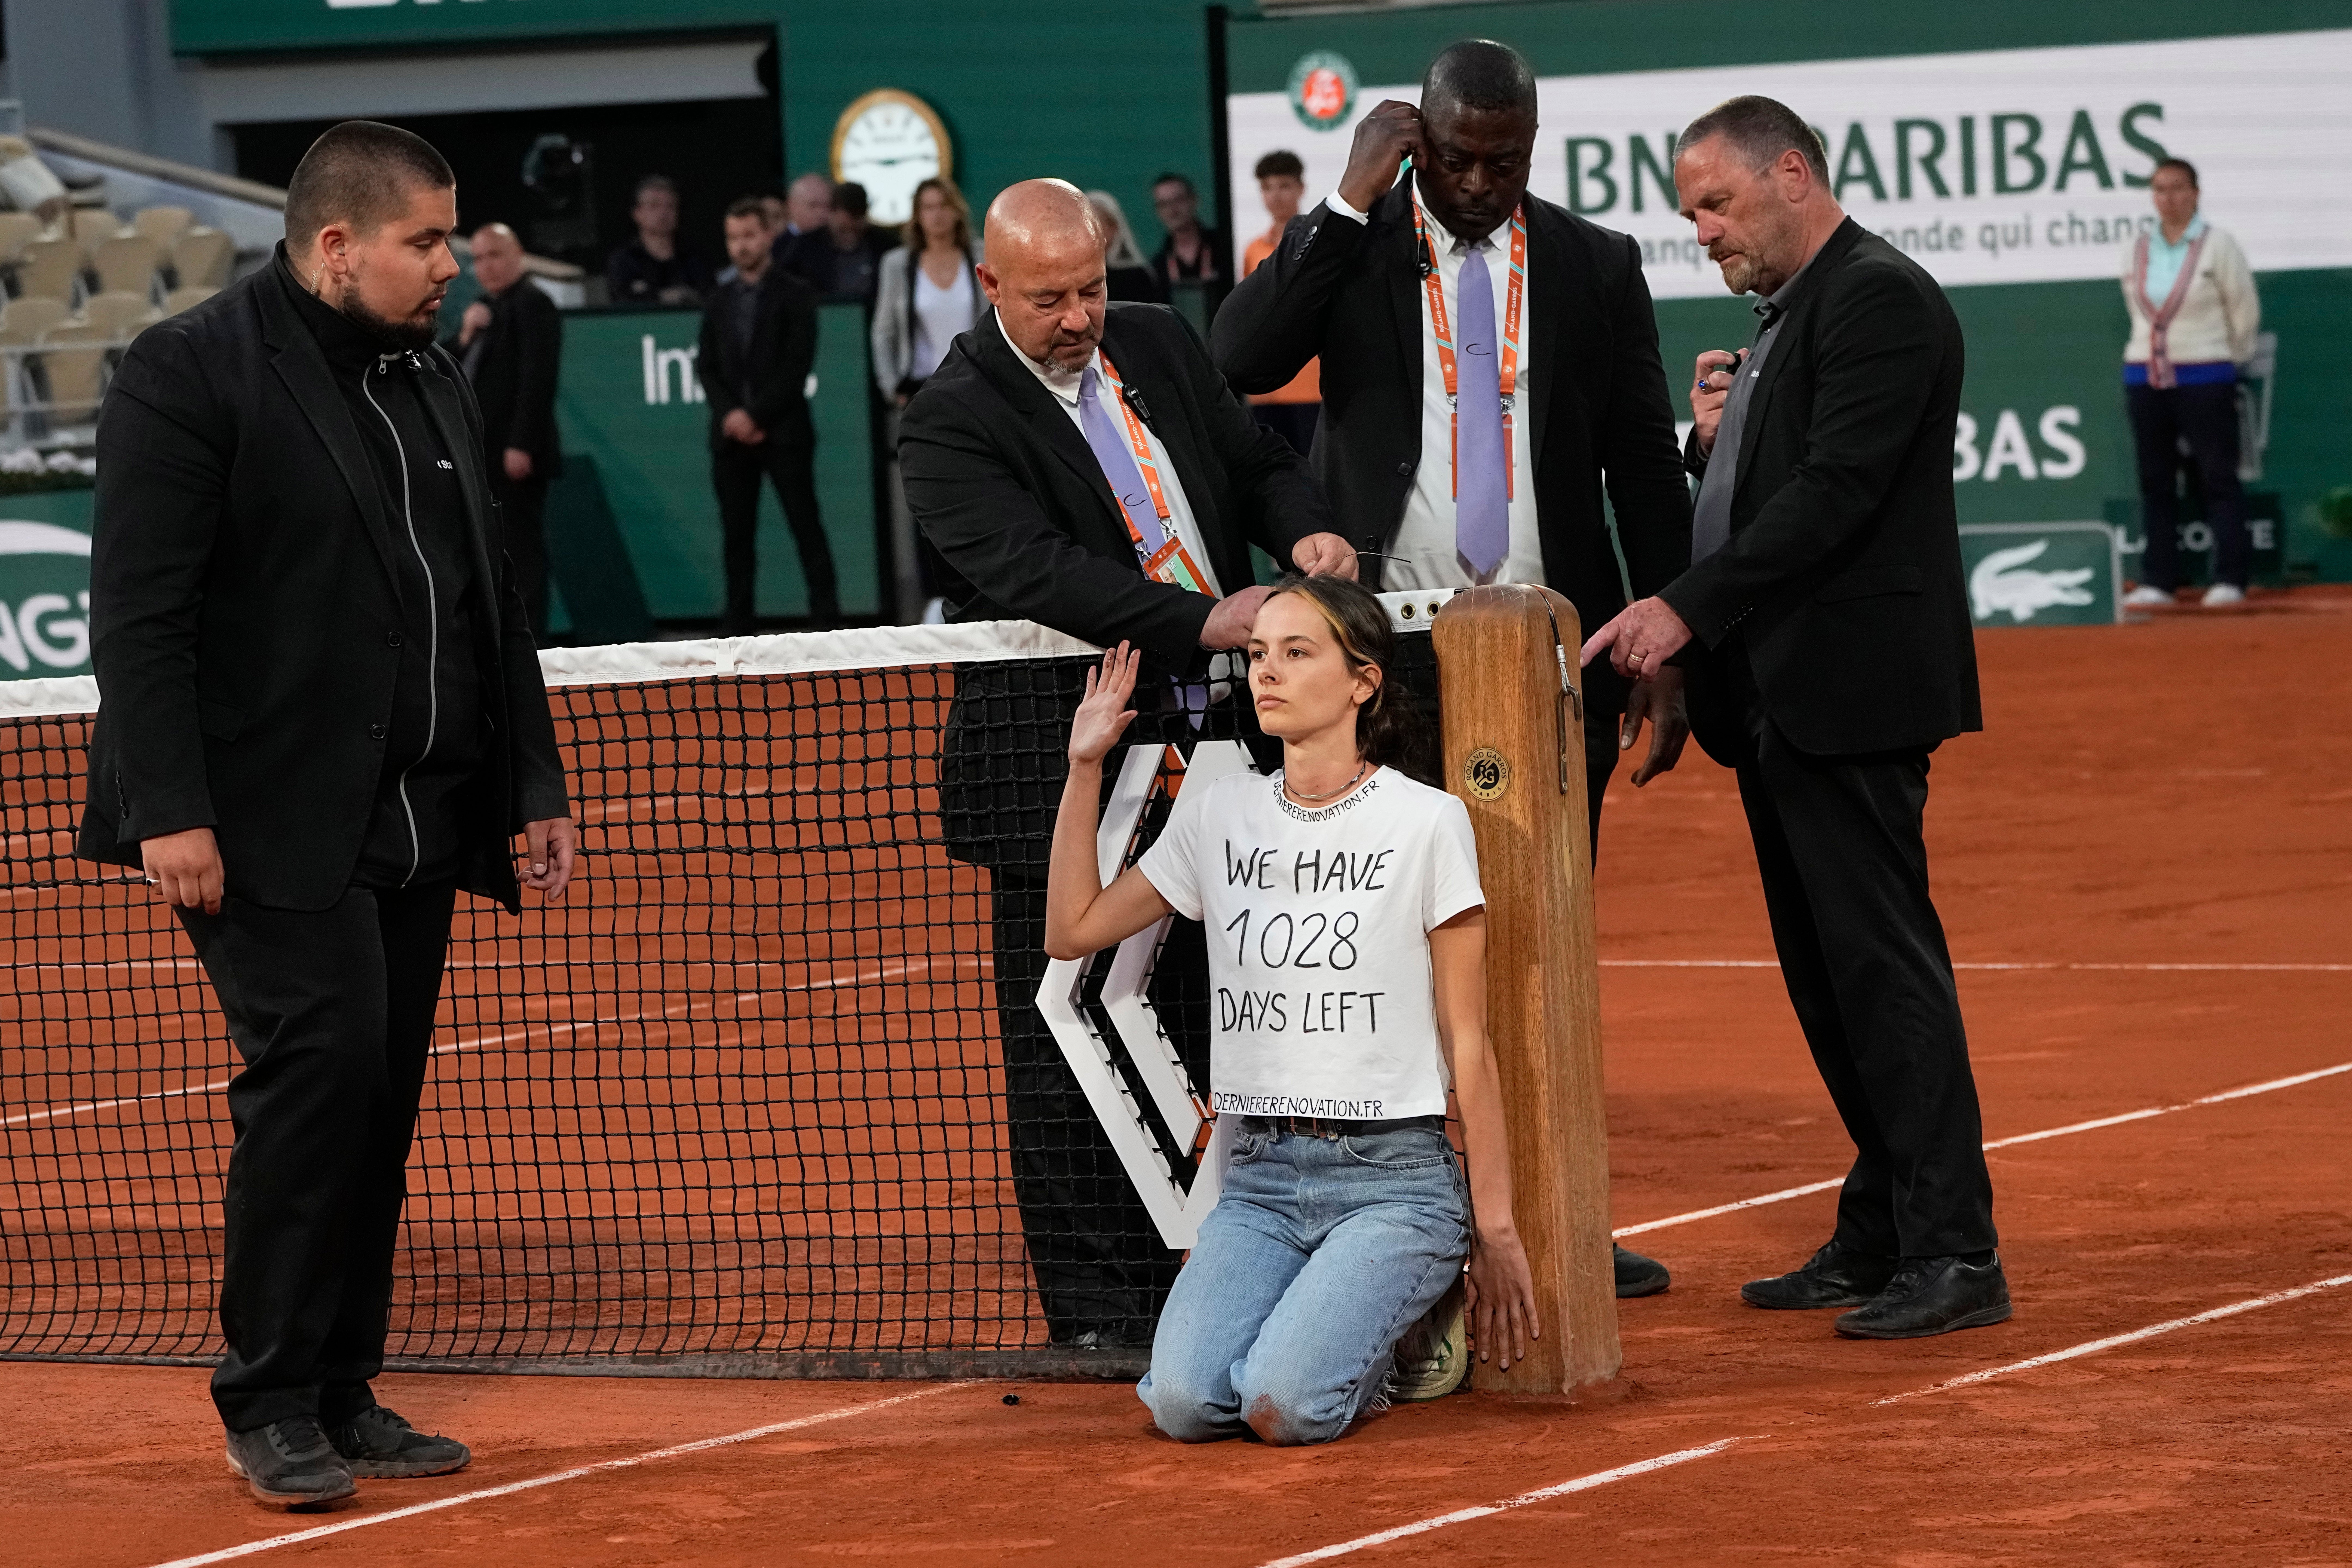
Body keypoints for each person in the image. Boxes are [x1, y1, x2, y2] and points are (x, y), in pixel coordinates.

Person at [78, 120, 575, 1508]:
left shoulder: (431, 376)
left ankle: (346, 1387)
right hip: (254, 812)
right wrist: (173, 808)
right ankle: (270, 1393)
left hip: (418, 811)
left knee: (380, 1097)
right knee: (319, 1077)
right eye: (424, 243)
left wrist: (529, 782)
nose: (451, 269)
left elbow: (490, 597)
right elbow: (139, 615)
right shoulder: (189, 373)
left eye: (450, 240)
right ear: (336, 244)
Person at [1215, 38, 1689, 1300]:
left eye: (1508, 160)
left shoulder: (1595, 264)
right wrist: (1344, 199)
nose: (1483, 181)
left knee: (1542, 941)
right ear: (1417, 142)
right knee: (1392, 950)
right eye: (1460, 157)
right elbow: (1239, 356)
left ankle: (1555, 1205)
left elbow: (1643, 460)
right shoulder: (1357, 247)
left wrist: (1671, 634)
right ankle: (1410, 1228)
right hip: (1395, 658)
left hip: (1553, 651)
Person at [898, 177, 1351, 1347]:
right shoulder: (948, 418)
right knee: (1068, 1029)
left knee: (1211, 1021)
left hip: (1220, 751)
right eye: (1049, 298)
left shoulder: (1151, 336)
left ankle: (1211, 1281)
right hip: (1068, 765)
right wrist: (1202, 619)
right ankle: (1096, 1315)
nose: (1079, 315)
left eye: (1091, 288)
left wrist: (1299, 522)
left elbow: (1252, 456)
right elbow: (1035, 569)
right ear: (991, 287)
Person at [1584, 96, 2007, 1341]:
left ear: (1791, 174)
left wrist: (1681, 609)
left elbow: (1835, 495)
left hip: (1852, 693)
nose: (1702, 233)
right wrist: (1709, 446)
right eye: (1689, 213)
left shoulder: (1877, 298)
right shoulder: (1785, 316)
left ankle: (1954, 1248)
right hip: (1779, 701)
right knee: (1831, 980)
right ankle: (1884, 1225)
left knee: (1880, 970)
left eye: (1715, 204)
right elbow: (1770, 484)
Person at [1046, 579, 1540, 1445]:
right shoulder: (1218, 816)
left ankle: (1406, 1327)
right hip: (1263, 1183)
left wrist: (1492, 1231)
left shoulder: (1428, 822)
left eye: (1296, 653)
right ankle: (1338, 1319)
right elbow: (1071, 931)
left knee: (1287, 1408)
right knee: (1184, 1405)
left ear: (1363, 681)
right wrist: (1085, 764)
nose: (1267, 672)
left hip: (1393, 1183)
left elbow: (1470, 1040)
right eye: (1258, 654)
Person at [2119, 157, 2261, 611]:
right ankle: (2160, 580)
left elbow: (2244, 313)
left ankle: (2231, 580)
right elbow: (2136, 310)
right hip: (2145, 375)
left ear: (2195, 193)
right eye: (2160, 189)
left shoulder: (2219, 245)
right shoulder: (2137, 246)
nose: (2169, 198)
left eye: (2178, 188)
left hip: (2207, 373)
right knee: (2155, 481)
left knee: (2218, 478)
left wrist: (2223, 358)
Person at [698, 196, 838, 633]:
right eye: (733, 237)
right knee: (736, 539)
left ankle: (827, 624)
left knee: (806, 528)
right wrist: (732, 416)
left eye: (749, 236)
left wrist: (754, 416)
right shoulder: (717, 301)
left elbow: (796, 367)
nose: (741, 245)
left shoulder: (796, 296)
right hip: (730, 441)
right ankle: (737, 630)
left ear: (768, 237)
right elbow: (707, 366)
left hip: (785, 435)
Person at [872, 176, 984, 617]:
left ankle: (979, 589)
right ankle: (937, 599)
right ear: (917, 216)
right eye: (927, 207)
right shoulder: (899, 264)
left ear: (957, 210)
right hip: (921, 393)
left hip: (975, 388)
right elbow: (883, 331)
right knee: (927, 497)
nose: (936, 215)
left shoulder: (980, 256)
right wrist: (891, 387)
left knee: (979, 490)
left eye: (943, 205)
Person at [447, 222, 561, 640]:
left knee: (523, 555)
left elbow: (537, 381)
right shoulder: (482, 310)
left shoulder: (534, 305)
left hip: (513, 457)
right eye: (478, 258)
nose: (486, 266)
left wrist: (521, 444)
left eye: (495, 255)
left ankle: (531, 645)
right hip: (481, 457)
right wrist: (464, 333)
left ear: (519, 257)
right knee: (492, 555)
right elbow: (446, 364)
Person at [1238, 151, 1320, 456]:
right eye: (1268, 187)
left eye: (1284, 186)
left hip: (1315, 384)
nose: (1275, 196)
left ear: (1301, 188)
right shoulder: (1254, 250)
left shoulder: (1320, 241)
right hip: (1267, 389)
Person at [779, 181, 894, 306]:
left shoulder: (884, 246)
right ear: (831, 214)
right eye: (844, 229)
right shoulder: (805, 248)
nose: (850, 235)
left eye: (856, 230)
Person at [605, 174, 712, 306]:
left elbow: (711, 299)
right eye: (654, 206)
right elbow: (622, 303)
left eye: (670, 206)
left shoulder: (695, 258)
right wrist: (663, 298)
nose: (663, 213)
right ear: (637, 213)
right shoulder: (623, 261)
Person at [1149, 172, 1225, 293]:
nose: (1172, 210)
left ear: (1193, 200)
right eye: (1164, 204)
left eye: (1178, 200)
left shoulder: (1224, 248)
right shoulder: (1157, 266)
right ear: (1158, 211)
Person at [1087, 190, 1164, 304]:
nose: (1088, 233)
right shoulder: (1077, 277)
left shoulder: (1137, 277)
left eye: (1094, 225)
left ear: (1114, 228)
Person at [783, 172, 834, 238]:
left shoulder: (837, 243)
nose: (822, 213)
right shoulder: (780, 245)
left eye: (828, 206)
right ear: (792, 206)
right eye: (814, 205)